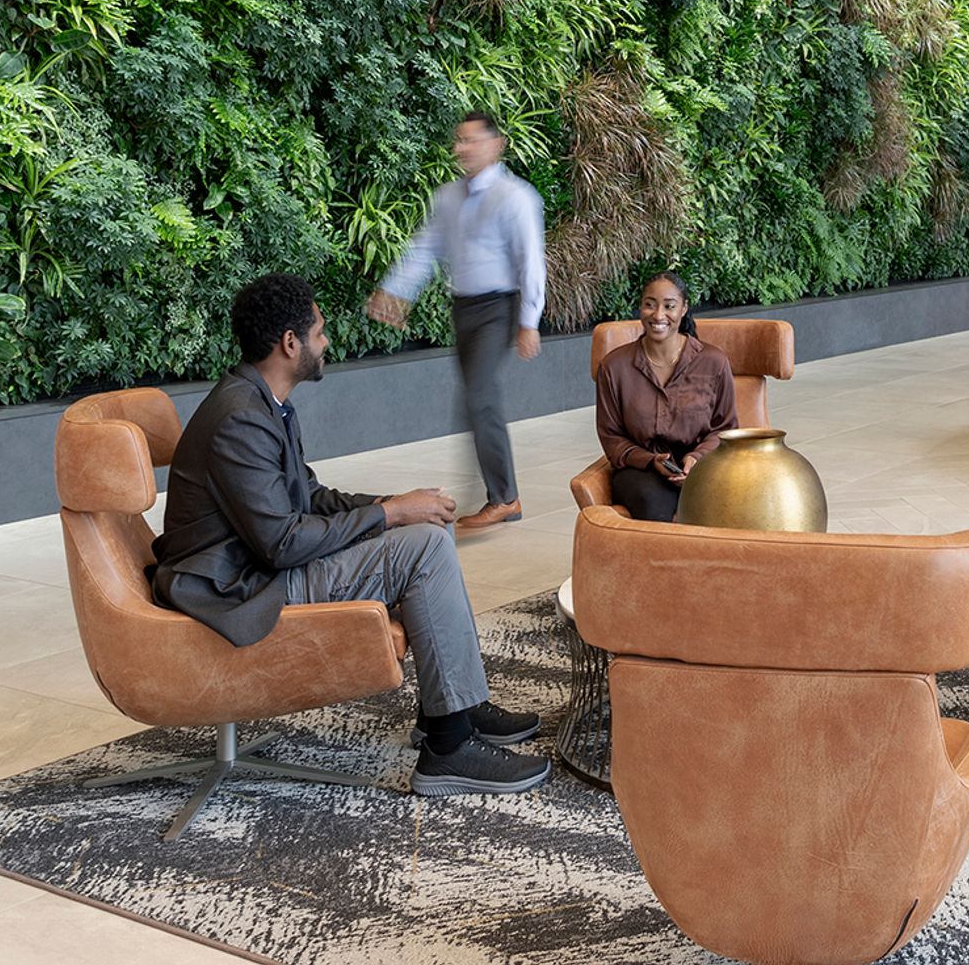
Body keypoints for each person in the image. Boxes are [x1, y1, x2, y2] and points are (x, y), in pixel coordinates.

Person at [151, 274, 551, 796]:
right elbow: (283, 542)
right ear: (290, 344)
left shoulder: (259, 401)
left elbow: (310, 496)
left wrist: (394, 504)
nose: (327, 342)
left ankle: (453, 712)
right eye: (319, 333)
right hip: (239, 586)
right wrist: (391, 517)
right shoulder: (240, 420)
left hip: (255, 565)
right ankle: (449, 746)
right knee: (424, 547)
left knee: (422, 529)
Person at [367, 111, 545, 530]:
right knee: (472, 401)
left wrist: (529, 320)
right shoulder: (448, 196)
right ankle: (498, 491)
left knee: (481, 396)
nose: (462, 148)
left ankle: (506, 498)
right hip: (463, 308)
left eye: (472, 140)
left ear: (495, 144)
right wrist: (395, 289)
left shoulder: (515, 196)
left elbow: (531, 262)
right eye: (459, 141)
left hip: (498, 309)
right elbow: (426, 247)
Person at [594, 272, 738, 522]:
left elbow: (725, 429)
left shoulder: (713, 362)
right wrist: (651, 461)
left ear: (684, 309)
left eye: (669, 306)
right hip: (640, 470)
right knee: (653, 499)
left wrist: (696, 458)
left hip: (703, 466)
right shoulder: (614, 367)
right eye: (650, 304)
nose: (658, 315)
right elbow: (612, 438)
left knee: (726, 496)